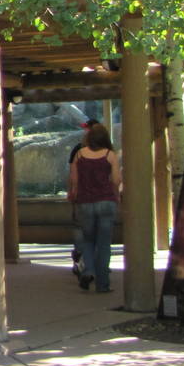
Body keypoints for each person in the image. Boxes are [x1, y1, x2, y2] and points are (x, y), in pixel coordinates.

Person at [68, 122, 122, 293]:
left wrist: (75, 194)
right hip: (106, 201)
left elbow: (74, 180)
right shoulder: (110, 155)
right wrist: (116, 195)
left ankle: (88, 271)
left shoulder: (79, 154)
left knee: (88, 240)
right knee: (104, 244)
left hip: (85, 202)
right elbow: (116, 180)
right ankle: (103, 283)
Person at [67, 118, 101, 276]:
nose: (85, 131)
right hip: (98, 196)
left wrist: (72, 190)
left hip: (84, 195)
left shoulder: (79, 150)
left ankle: (83, 259)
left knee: (81, 227)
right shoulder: (107, 150)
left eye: (87, 129)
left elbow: (72, 174)